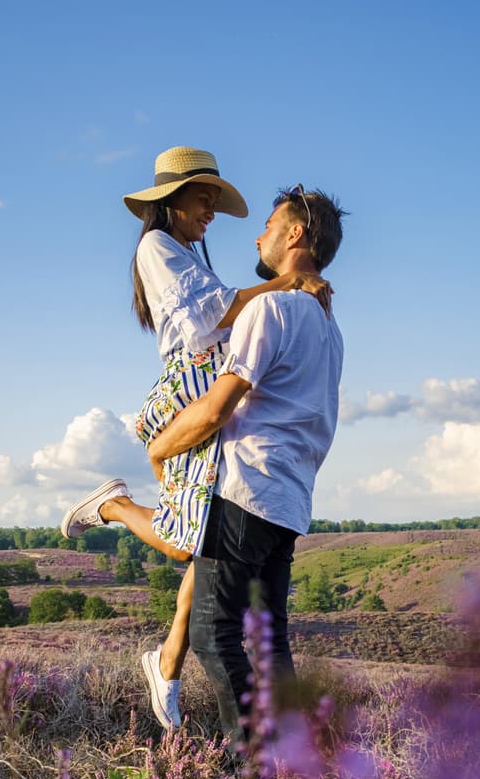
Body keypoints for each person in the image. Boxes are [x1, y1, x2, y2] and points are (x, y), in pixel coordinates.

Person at [60, 147, 329, 731]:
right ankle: (114, 505)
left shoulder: (185, 253)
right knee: (190, 547)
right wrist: (289, 282)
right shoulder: (156, 245)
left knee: (196, 550)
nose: (212, 211)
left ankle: (167, 664)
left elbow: (225, 313)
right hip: (192, 389)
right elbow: (210, 318)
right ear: (171, 199)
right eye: (204, 198)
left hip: (213, 389)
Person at [144, 184, 347, 741]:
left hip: (244, 489)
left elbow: (217, 407)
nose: (258, 237)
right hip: (289, 501)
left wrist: (160, 446)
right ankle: (297, 764)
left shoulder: (270, 308)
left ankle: (253, 766)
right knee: (269, 640)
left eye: (268, 226)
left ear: (294, 233)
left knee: (214, 633)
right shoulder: (330, 327)